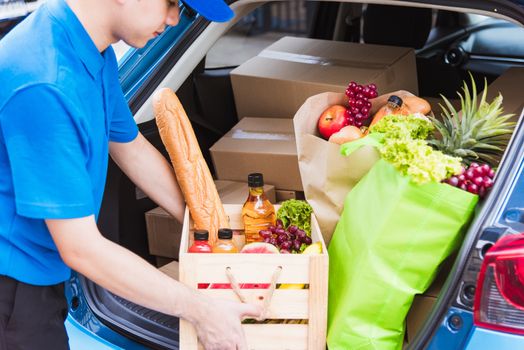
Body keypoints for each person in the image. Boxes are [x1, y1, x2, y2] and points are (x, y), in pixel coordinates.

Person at [0, 0, 261, 349]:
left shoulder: (93, 49)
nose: (172, 20)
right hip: (15, 291)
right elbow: (82, 249)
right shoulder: (44, 81)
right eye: (172, 3)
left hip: (42, 275)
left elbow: (132, 149)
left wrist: (209, 230)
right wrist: (202, 310)